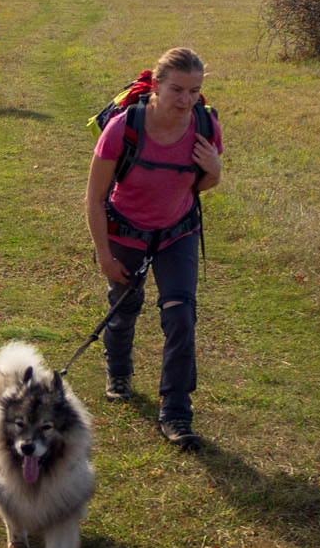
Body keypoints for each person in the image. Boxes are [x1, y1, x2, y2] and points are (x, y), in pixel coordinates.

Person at [83, 47, 223, 447]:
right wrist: (104, 255)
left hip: (178, 232)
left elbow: (199, 185)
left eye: (195, 91)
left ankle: (176, 411)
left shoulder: (205, 126)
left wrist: (215, 170)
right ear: (156, 87)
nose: (186, 100)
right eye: (177, 90)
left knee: (181, 317)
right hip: (126, 230)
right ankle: (119, 371)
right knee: (124, 307)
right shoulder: (124, 128)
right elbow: (94, 198)